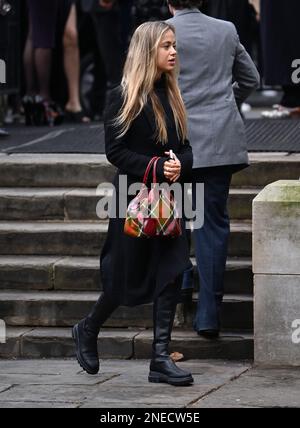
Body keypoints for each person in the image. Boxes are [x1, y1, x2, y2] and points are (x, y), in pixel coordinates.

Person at [73, 21, 194, 386]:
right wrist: (157, 166)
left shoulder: (172, 94)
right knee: (125, 277)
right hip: (132, 200)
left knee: (171, 272)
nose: (173, 52)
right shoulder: (121, 96)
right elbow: (116, 152)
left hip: (169, 201)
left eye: (174, 45)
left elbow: (186, 149)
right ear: (147, 51)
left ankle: (159, 358)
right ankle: (87, 328)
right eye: (166, 46)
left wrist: (179, 165)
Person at [166, 0, 260, 339]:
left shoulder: (162, 33)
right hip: (220, 139)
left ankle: (183, 278)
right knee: (212, 221)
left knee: (174, 213)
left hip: (175, 138)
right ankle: (209, 311)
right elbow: (251, 78)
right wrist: (226, 102)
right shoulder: (226, 30)